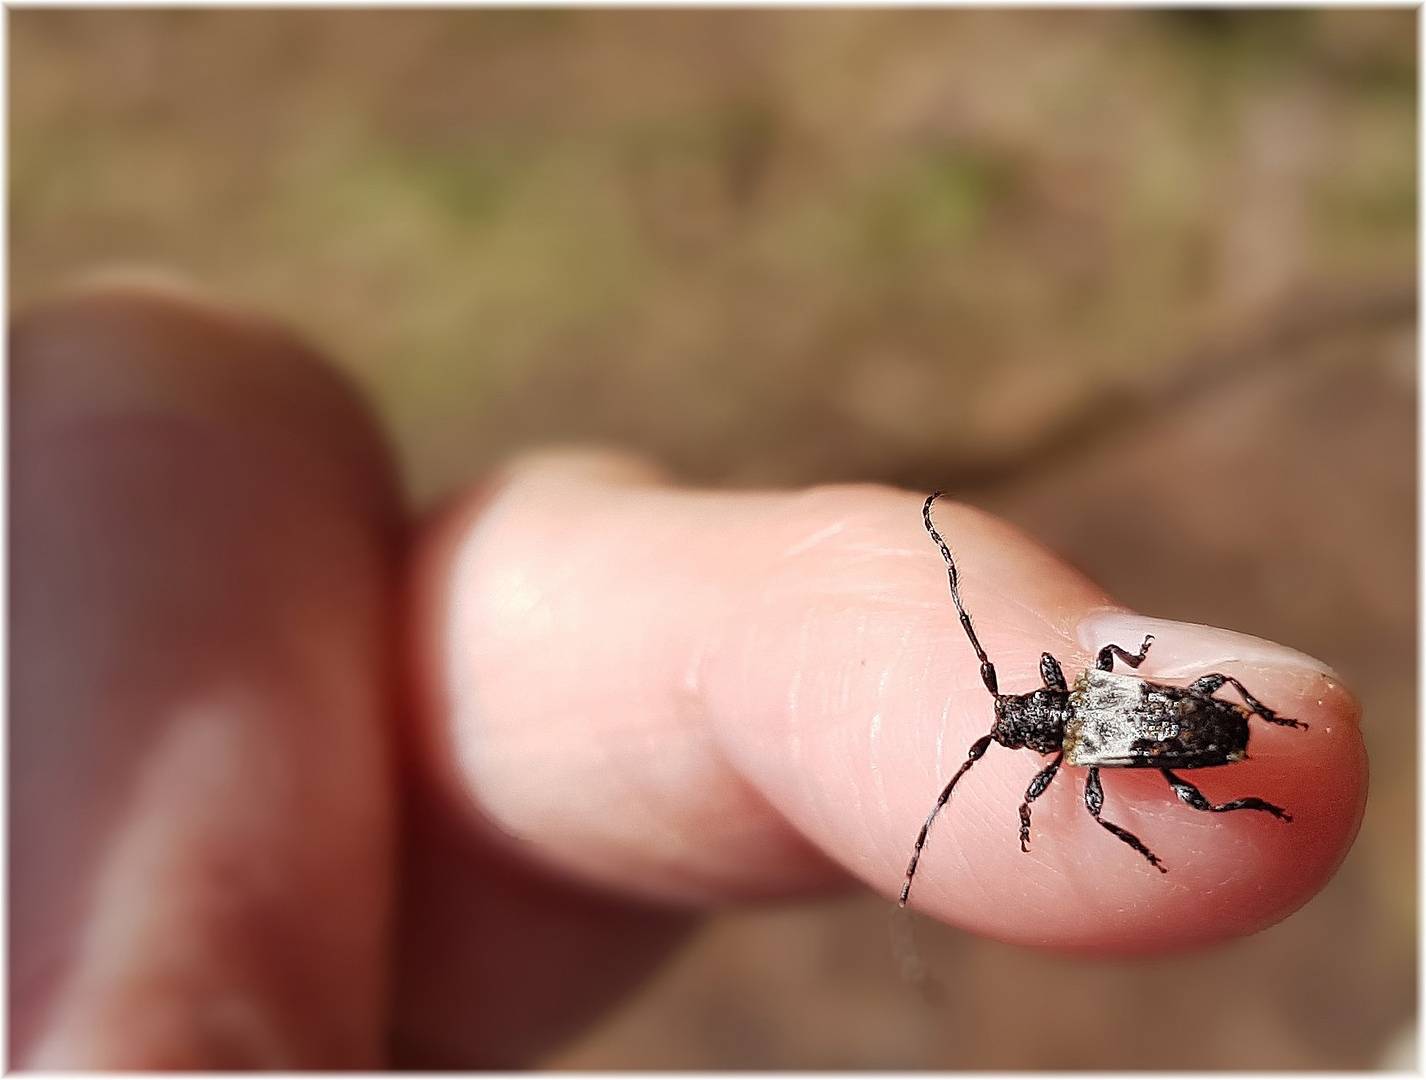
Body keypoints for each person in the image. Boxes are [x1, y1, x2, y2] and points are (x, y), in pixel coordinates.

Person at [9, 282, 1367, 1069]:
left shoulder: (1076, 746)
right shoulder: (1086, 735)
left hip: (1190, 733)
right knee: (1209, 758)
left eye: (1020, 727)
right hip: (1187, 734)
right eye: (1020, 731)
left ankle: (1246, 793)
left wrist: (1057, 794)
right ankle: (1243, 795)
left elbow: (1064, 764)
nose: (1013, 727)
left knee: (1211, 751)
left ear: (1047, 724)